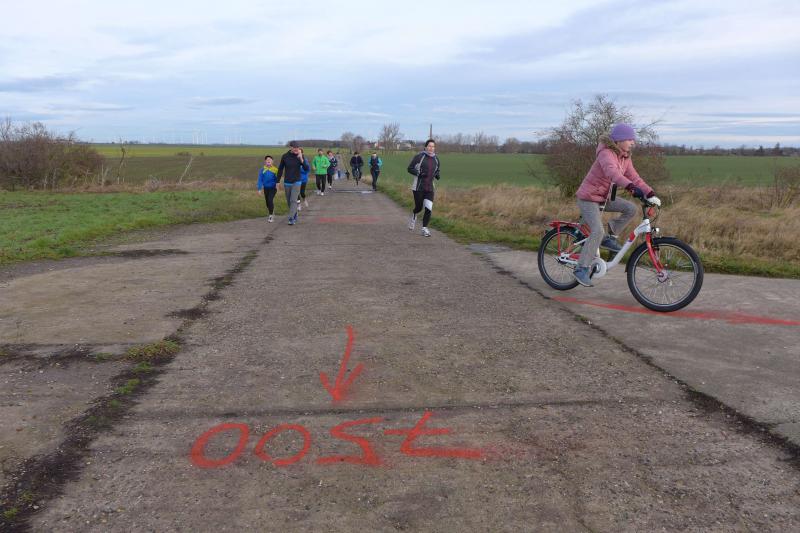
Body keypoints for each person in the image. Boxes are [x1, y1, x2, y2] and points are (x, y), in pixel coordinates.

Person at [572, 123, 661, 287]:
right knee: (597, 231)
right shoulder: (606, 153)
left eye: (633, 140)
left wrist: (650, 193)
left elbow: (635, 178)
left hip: (604, 197)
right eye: (629, 139)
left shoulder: (625, 157)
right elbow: (612, 173)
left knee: (631, 209)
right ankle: (581, 268)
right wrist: (630, 187)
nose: (633, 143)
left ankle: (609, 237)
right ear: (619, 140)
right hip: (588, 198)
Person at [406, 139, 439, 237]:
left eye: (433, 146)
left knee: (428, 208)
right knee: (419, 208)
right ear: (425, 147)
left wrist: (437, 174)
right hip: (418, 187)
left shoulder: (436, 159)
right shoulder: (419, 157)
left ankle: (424, 228)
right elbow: (410, 169)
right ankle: (414, 215)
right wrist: (419, 173)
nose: (431, 148)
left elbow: (437, 169)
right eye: (429, 146)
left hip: (430, 188)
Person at [277, 141, 310, 225]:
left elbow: (306, 169)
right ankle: (294, 214)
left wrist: (301, 159)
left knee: (293, 200)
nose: (296, 149)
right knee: (289, 201)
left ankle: (291, 218)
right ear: (290, 147)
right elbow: (280, 169)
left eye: (297, 148)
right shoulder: (285, 156)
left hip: (297, 181)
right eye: (294, 147)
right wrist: (277, 181)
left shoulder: (300, 156)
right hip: (287, 182)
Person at [257, 155, 279, 223]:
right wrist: (259, 189)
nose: (268, 161)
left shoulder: (275, 169)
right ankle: (271, 211)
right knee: (267, 203)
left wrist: (277, 185)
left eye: (270, 160)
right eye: (267, 160)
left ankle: (271, 216)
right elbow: (260, 179)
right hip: (266, 188)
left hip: (273, 188)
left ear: (272, 161)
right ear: (265, 161)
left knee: (270, 200)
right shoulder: (262, 170)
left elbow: (278, 179)